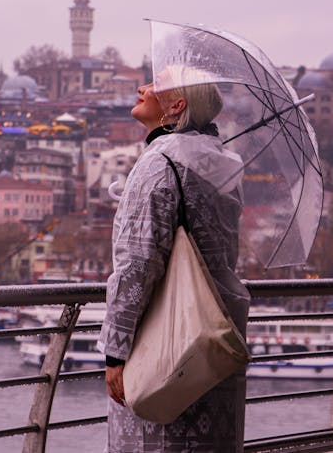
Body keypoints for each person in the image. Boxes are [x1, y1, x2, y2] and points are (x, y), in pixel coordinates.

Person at [98, 78, 250, 453]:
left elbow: (138, 264)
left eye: (155, 84)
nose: (142, 87)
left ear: (177, 105)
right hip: (216, 335)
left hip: (164, 340)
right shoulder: (223, 164)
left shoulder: (159, 163)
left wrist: (116, 351)